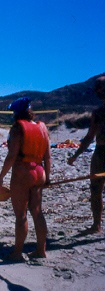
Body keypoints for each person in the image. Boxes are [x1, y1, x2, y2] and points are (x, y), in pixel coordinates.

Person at [0, 97, 51, 260]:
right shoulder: (43, 128)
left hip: (22, 173)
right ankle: (41, 250)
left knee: (21, 215)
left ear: (17, 113)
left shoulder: (17, 129)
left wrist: (1, 178)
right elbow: (47, 156)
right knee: (37, 212)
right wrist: (47, 177)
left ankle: (17, 253)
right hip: (39, 171)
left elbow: (12, 155)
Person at [68, 76, 105, 234]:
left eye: (99, 87)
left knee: (96, 189)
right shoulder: (98, 112)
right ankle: (96, 225)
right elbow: (90, 137)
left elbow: (89, 137)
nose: (97, 90)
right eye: (97, 87)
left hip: (101, 152)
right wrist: (76, 155)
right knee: (95, 189)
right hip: (100, 152)